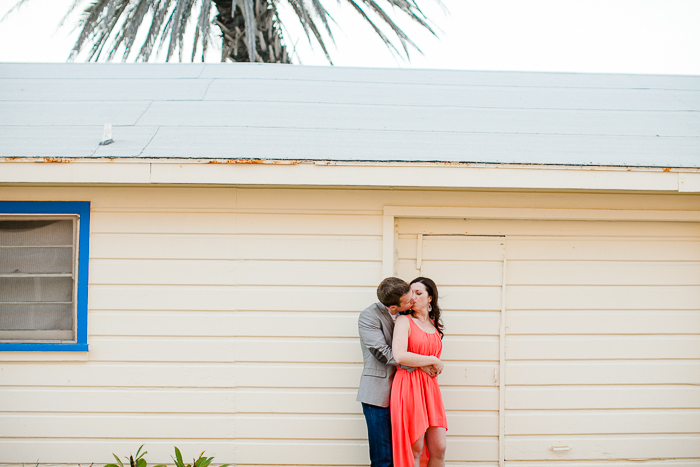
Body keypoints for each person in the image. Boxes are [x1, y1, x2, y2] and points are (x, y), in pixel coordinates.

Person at [357, 277, 438, 467]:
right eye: (408, 299)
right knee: (384, 457)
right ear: (393, 307)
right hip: (379, 395)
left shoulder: (410, 315)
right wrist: (422, 364)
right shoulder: (369, 316)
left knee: (408, 451)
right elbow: (383, 353)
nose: (413, 301)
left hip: (407, 393)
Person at [391, 277, 447, 467]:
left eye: (419, 293)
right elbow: (399, 356)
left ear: (430, 298)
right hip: (409, 384)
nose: (413, 298)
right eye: (410, 293)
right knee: (415, 447)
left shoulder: (435, 326)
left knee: (439, 448)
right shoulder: (404, 321)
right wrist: (433, 360)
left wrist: (433, 365)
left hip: (430, 388)